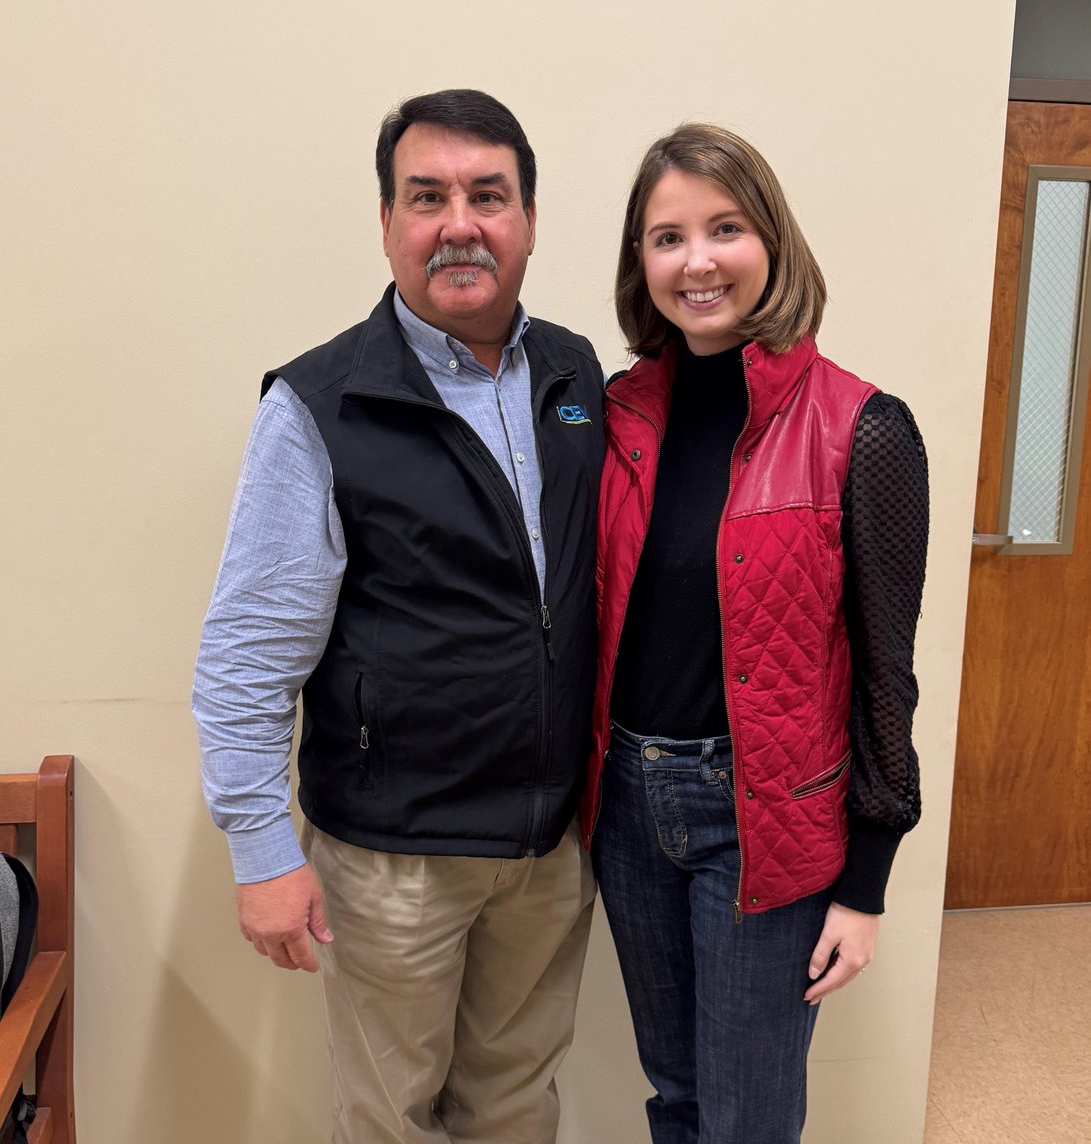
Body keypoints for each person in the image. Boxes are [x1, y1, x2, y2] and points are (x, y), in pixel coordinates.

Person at [193, 88, 604, 1144]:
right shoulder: (319, 405)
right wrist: (260, 849)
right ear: (387, 223)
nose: (459, 223)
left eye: (487, 195)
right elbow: (247, 649)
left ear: (527, 220)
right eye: (427, 197)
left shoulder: (575, 375)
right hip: (395, 857)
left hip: (547, 845)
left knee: (517, 1104)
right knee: (388, 1120)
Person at [579, 124, 928, 1144]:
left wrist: (866, 885)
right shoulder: (616, 415)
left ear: (770, 240)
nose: (697, 261)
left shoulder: (864, 428)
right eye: (666, 236)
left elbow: (886, 675)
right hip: (629, 815)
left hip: (763, 820)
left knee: (745, 1118)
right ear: (639, 264)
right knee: (676, 1094)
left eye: (723, 228)